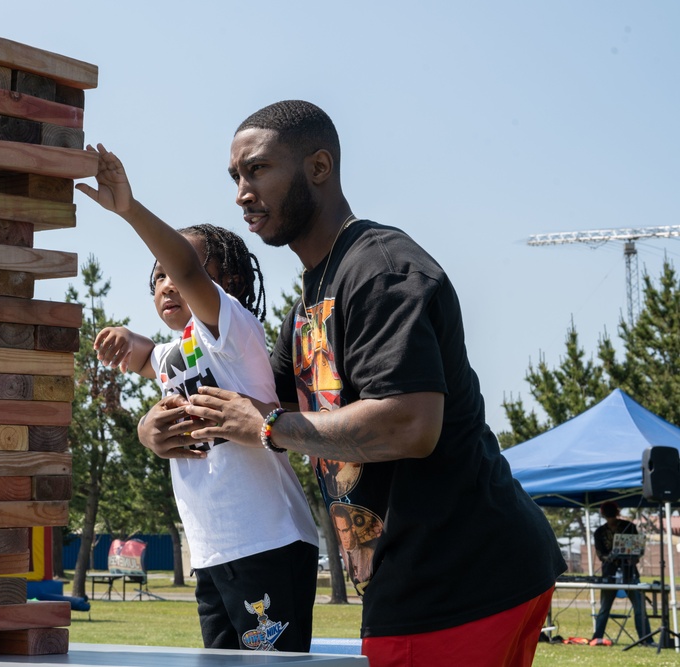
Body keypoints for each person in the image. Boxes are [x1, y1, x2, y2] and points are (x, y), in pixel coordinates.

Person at [136, 101, 567, 666]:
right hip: (418, 580)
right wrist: (156, 428)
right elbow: (257, 403)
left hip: (461, 575)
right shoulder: (311, 300)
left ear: (319, 167)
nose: (242, 191)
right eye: (235, 177)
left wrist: (266, 426)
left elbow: (409, 424)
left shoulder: (381, 269)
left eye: (259, 170)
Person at [75, 144, 319, 652]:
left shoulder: (233, 334)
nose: (168, 280)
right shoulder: (177, 352)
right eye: (157, 276)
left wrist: (129, 209)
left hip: (267, 540)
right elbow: (149, 359)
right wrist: (130, 346)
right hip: (212, 550)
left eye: (176, 271)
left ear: (225, 283)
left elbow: (187, 268)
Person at [590, 500, 651, 646]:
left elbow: (638, 550)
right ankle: (597, 637)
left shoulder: (629, 527)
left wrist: (632, 559)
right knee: (606, 608)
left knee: (638, 608)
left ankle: (646, 638)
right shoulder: (600, 532)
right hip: (610, 574)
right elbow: (601, 555)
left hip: (629, 573)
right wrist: (611, 557)